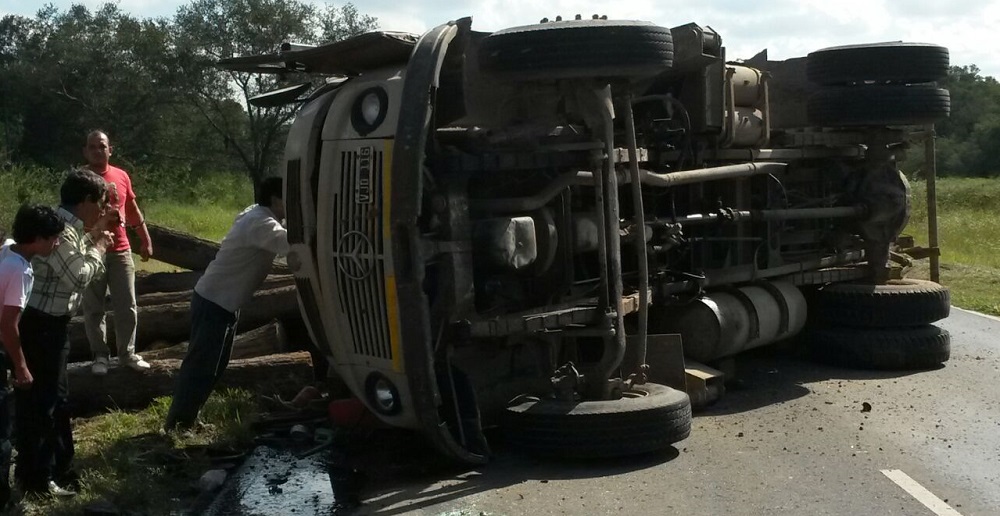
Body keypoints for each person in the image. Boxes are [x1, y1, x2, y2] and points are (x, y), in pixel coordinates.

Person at [16, 170, 114, 496]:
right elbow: (79, 276)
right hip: (41, 326)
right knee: (44, 402)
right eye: (100, 203)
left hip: (51, 325)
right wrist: (99, 247)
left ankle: (55, 469)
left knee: (54, 400)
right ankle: (37, 479)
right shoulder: (59, 232)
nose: (102, 209)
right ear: (85, 201)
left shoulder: (69, 231)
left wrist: (93, 237)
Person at [164, 177, 288, 431]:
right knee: (201, 367)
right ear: (276, 199)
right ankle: (178, 424)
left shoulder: (258, 215)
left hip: (222, 302)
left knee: (213, 367)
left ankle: (188, 419)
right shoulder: (260, 223)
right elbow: (289, 243)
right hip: (215, 302)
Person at [0, 205, 64, 506]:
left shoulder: (7, 250)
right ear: (37, 239)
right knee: (2, 432)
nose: (57, 243)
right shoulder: (20, 270)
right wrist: (21, 366)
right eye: (53, 238)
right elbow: (7, 325)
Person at [81, 130, 154, 375]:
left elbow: (131, 208)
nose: (97, 151)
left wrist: (145, 238)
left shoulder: (121, 175)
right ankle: (100, 356)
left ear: (110, 150)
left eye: (102, 146)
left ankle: (127, 354)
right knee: (93, 308)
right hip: (91, 249)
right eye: (92, 147)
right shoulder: (79, 178)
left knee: (127, 305)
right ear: (85, 151)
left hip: (121, 249)